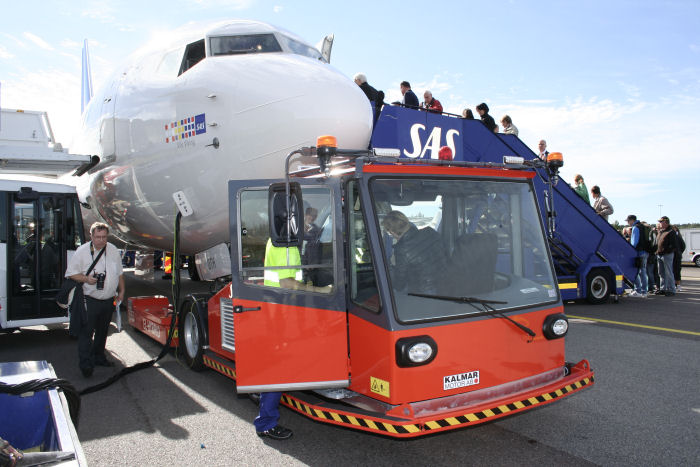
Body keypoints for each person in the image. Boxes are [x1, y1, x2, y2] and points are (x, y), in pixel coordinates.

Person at [256, 236, 331, 440]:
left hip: (281, 310)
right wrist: (320, 290)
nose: (310, 225)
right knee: (277, 369)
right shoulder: (285, 244)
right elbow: (287, 283)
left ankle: (264, 406)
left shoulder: (277, 240)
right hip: (281, 312)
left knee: (280, 365)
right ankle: (265, 423)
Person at [65, 222, 125, 377]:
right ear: (91, 236)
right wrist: (86, 279)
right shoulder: (82, 251)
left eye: (104, 237)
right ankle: (86, 365)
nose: (101, 240)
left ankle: (99, 357)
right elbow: (71, 274)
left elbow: (119, 272)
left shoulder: (112, 250)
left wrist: (122, 291)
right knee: (86, 333)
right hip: (89, 300)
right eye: (97, 237)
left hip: (107, 300)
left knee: (103, 331)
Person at [381, 211, 446, 294]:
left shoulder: (401, 249)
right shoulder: (431, 232)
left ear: (392, 232)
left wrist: (394, 267)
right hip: (444, 284)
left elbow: (400, 283)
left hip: (423, 291)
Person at [626, 215, 649, 298]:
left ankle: (639, 291)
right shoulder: (642, 226)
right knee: (643, 272)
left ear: (632, 220)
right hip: (645, 251)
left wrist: (630, 250)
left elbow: (634, 242)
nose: (628, 223)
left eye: (628, 221)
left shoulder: (636, 228)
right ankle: (644, 291)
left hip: (639, 252)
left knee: (639, 272)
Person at [655, 216, 676, 296]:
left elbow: (673, 245)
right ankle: (663, 288)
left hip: (667, 254)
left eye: (661, 222)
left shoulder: (671, 231)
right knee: (661, 273)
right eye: (659, 222)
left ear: (666, 222)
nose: (660, 223)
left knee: (669, 272)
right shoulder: (661, 231)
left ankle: (671, 290)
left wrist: (666, 251)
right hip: (659, 254)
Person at [671, 225, 685, 291]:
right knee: (672, 271)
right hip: (673, 256)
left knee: (677, 271)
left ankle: (678, 285)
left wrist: (679, 252)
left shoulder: (678, 237)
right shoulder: (673, 237)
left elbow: (683, 246)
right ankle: (674, 285)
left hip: (677, 256)